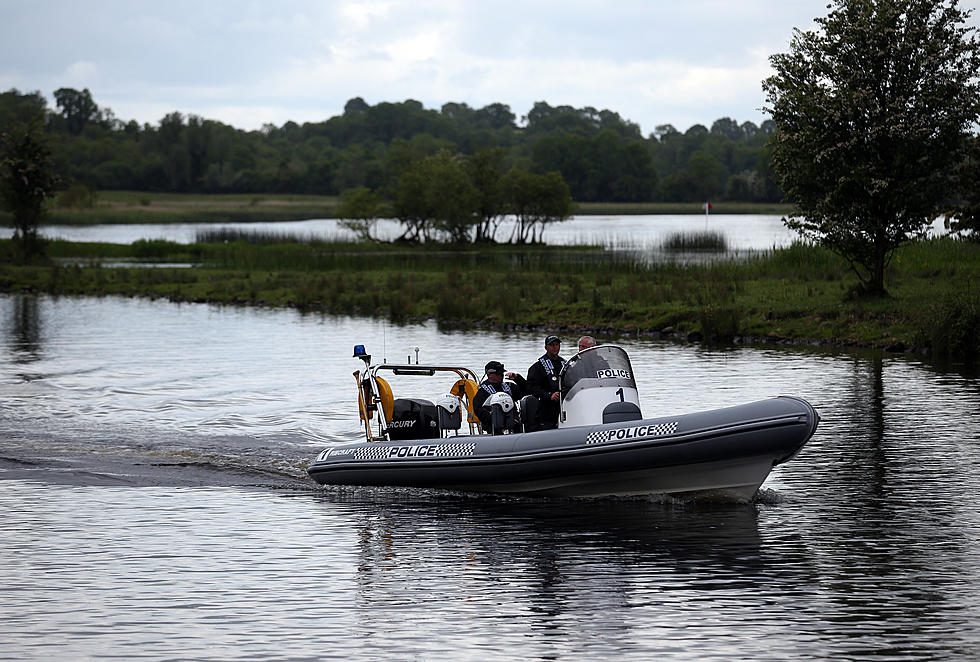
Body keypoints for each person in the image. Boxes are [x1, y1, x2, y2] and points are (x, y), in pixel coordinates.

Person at [472, 360, 528, 432]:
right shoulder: (482, 392)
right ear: (489, 375)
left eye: (502, 373)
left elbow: (526, 391)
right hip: (494, 427)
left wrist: (517, 379)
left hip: (514, 424)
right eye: (498, 374)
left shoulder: (509, 387)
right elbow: (479, 410)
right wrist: (497, 419)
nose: (502, 375)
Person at [526, 335, 566, 429]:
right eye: (552, 345)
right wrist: (549, 395)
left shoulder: (565, 364)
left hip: (564, 406)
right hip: (546, 408)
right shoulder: (537, 367)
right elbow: (530, 387)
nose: (555, 347)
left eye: (557, 344)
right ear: (546, 347)